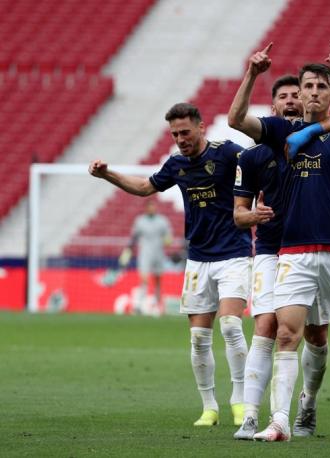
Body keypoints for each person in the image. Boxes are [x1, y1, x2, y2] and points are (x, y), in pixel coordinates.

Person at [229, 41, 330, 442]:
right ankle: (279, 420)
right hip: (293, 250)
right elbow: (236, 118)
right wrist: (252, 74)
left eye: (319, 87)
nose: (311, 92)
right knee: (286, 334)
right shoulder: (281, 131)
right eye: (307, 86)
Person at [89, 102, 252, 428]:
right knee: (198, 339)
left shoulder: (228, 153)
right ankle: (209, 407)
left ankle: (240, 400)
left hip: (234, 254)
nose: (180, 139)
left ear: (201, 127)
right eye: (175, 134)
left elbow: (260, 168)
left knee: (231, 326)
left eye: (185, 132)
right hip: (198, 259)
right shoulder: (176, 164)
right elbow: (144, 187)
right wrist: (108, 174)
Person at [231, 74, 330, 439]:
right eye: (285, 96)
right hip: (270, 249)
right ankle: (251, 415)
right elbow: (238, 215)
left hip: (312, 246)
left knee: (317, 334)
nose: (294, 100)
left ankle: (307, 403)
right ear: (274, 106)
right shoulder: (252, 157)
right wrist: (254, 216)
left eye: (299, 94)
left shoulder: (322, 145)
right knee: (266, 327)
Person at [124, 199, 172, 315]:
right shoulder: (140, 221)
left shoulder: (162, 221)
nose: (152, 209)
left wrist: (168, 241)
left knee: (158, 281)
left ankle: (157, 306)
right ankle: (138, 306)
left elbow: (168, 237)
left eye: (153, 207)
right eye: (149, 207)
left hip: (159, 254)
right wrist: (128, 251)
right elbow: (134, 237)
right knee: (143, 279)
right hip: (145, 253)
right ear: (146, 208)